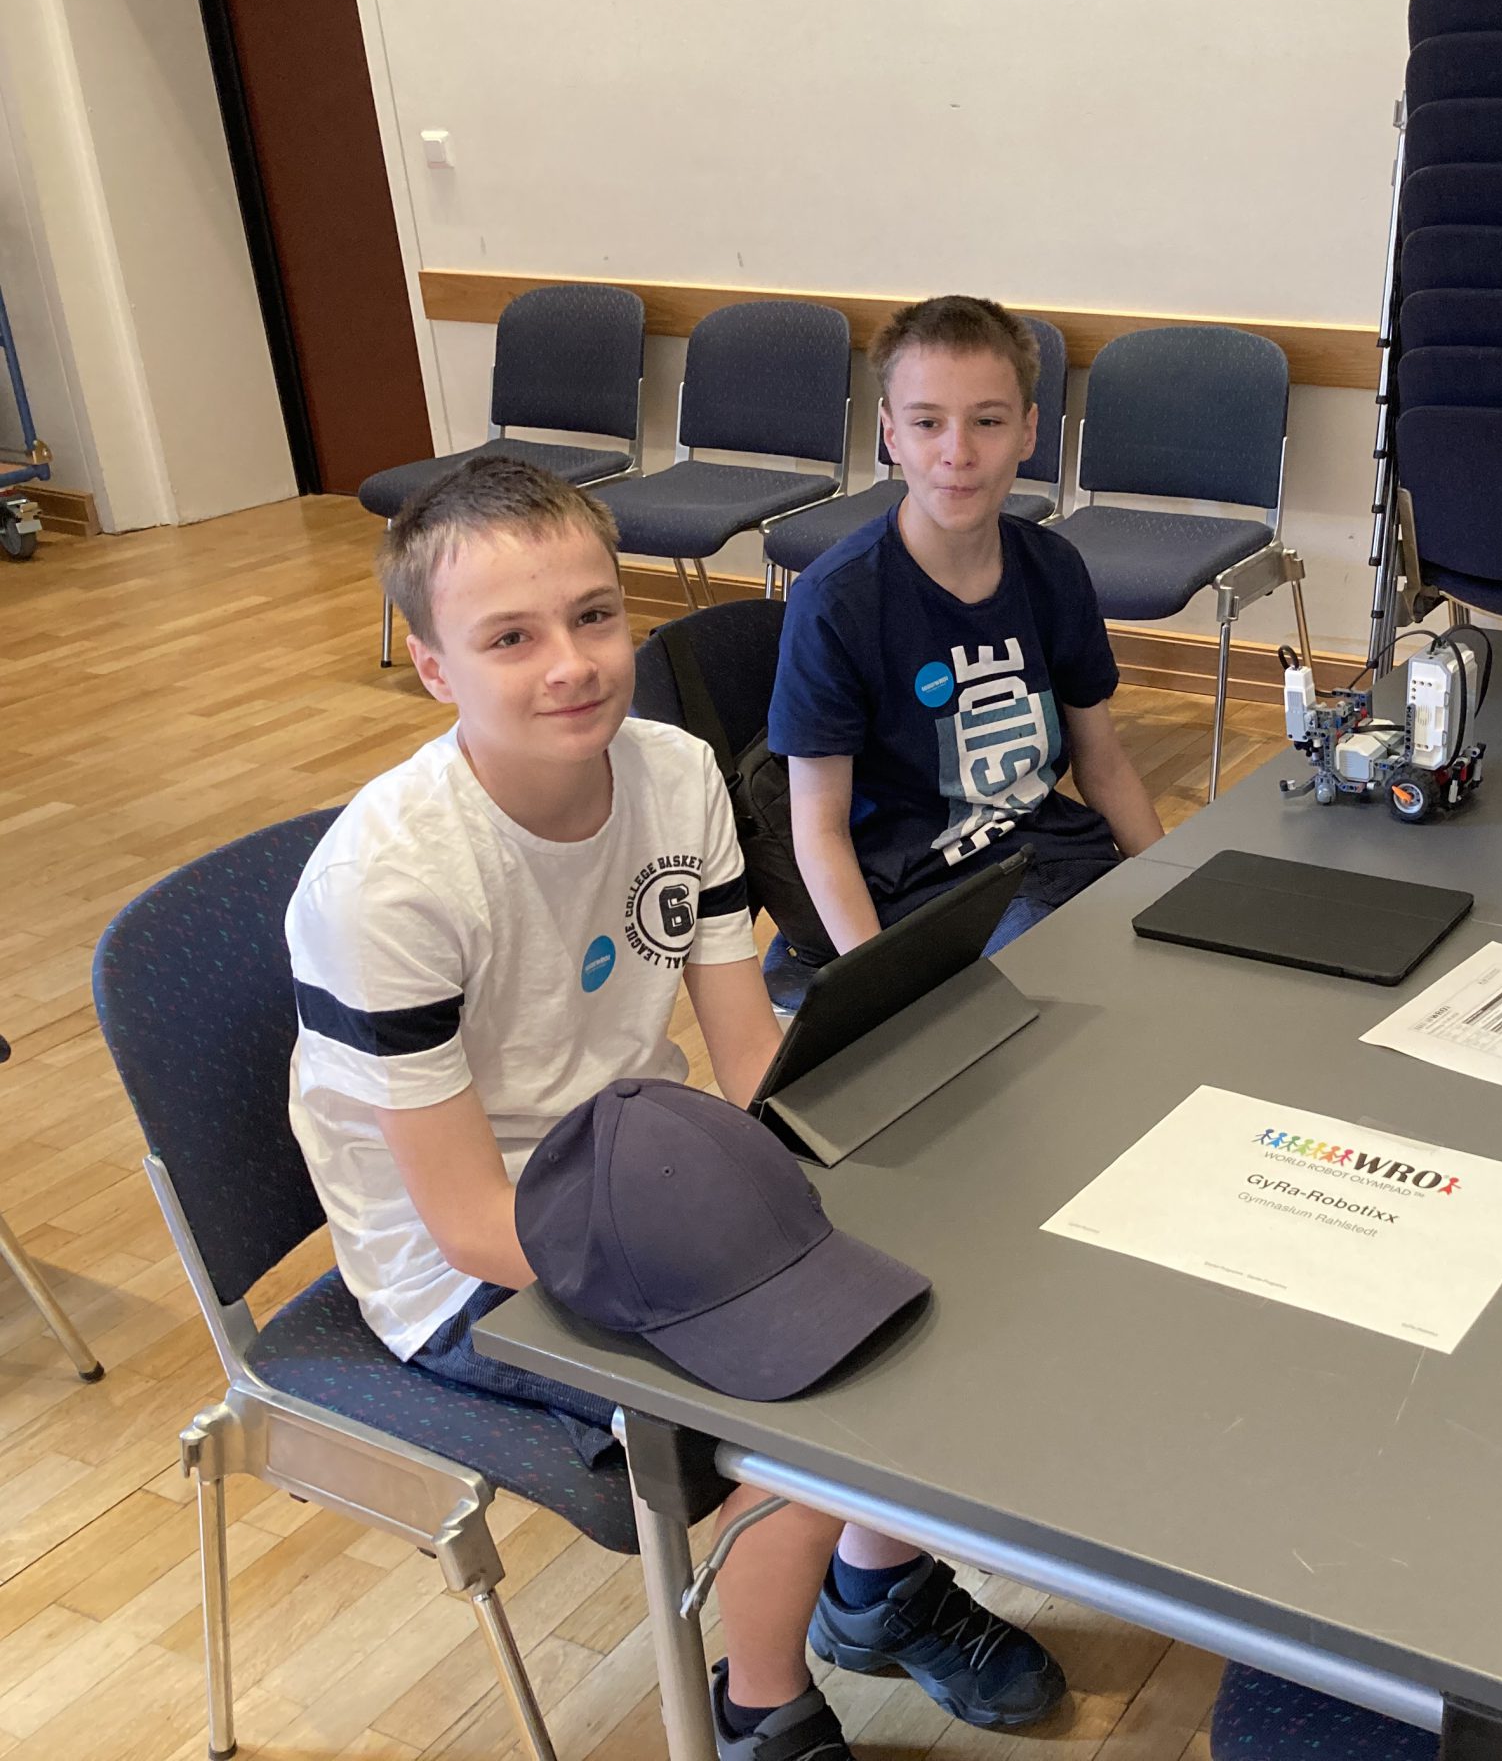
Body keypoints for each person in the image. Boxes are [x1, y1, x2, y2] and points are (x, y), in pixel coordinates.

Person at [282, 456, 1065, 1760]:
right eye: (510, 639)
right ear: (433, 670)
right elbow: (468, 1223)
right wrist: (739, 1261)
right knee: (791, 1406)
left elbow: (746, 1050)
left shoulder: (674, 772)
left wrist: (827, 1183)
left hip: (651, 1172)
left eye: (594, 616)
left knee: (929, 1267)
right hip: (462, 1266)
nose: (570, 664)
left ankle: (874, 1592)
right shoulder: (389, 887)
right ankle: (760, 1707)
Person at [767, 296, 1163, 992]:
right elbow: (819, 832)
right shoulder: (836, 601)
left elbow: (1103, 766)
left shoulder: (1054, 569)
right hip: (926, 904)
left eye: (987, 421)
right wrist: (881, 991)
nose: (958, 453)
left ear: (1028, 431)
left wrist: (1171, 889)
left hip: (1057, 868)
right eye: (928, 423)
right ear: (890, 433)